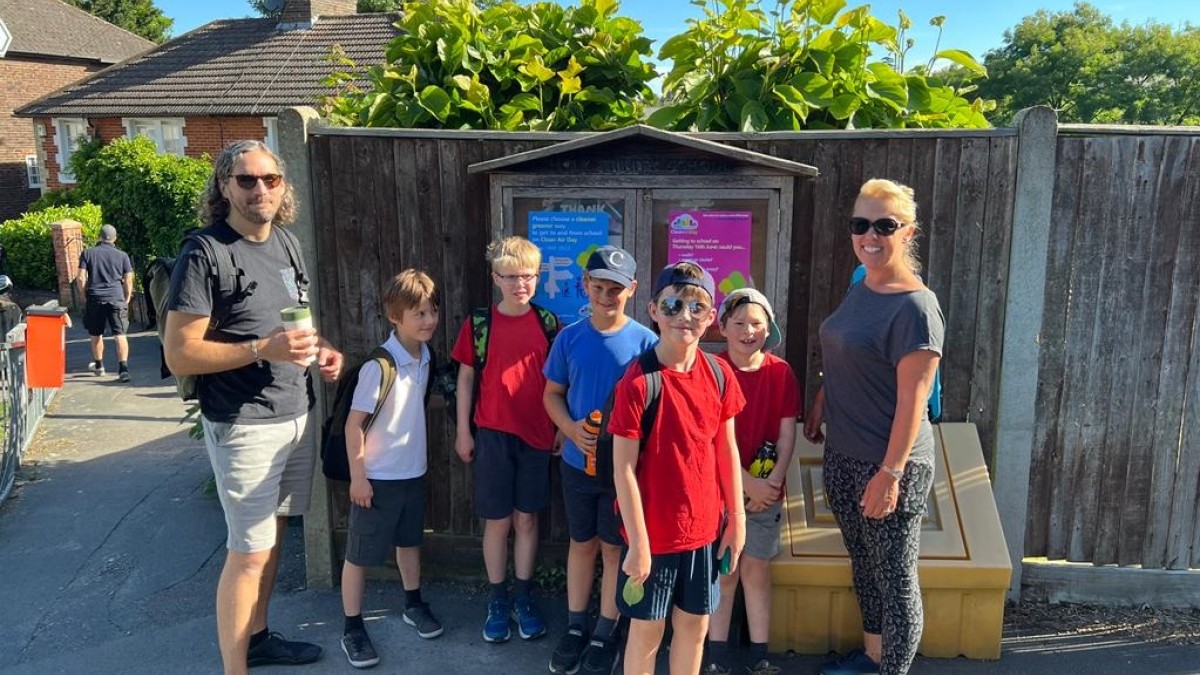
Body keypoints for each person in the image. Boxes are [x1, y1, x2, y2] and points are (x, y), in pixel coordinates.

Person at [163, 139, 344, 675]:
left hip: (296, 412)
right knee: (247, 552)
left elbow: (297, 323)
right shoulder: (204, 252)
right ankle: (234, 668)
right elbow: (179, 355)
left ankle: (258, 638)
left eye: (270, 179)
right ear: (224, 187)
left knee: (276, 534)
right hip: (243, 424)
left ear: (283, 186)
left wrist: (323, 351)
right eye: (246, 180)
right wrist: (258, 349)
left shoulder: (286, 243)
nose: (259, 189)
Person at [803, 179, 944, 675]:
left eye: (885, 226)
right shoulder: (860, 283)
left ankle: (893, 670)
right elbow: (847, 350)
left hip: (889, 464)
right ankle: (873, 655)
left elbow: (914, 399)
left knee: (897, 579)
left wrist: (890, 473)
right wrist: (822, 398)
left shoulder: (916, 307)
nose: (870, 235)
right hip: (844, 452)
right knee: (864, 564)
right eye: (860, 225)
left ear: (908, 233)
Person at [609, 261, 747, 675]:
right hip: (652, 537)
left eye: (695, 307)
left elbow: (728, 449)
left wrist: (736, 518)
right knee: (647, 632)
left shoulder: (720, 375)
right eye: (671, 305)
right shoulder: (638, 383)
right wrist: (637, 542)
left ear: (710, 318)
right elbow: (624, 471)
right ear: (652, 310)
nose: (683, 316)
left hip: (704, 533)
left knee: (694, 626)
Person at [543, 245, 658, 674]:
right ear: (585, 286)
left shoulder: (647, 343)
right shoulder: (569, 338)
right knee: (581, 544)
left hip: (623, 473)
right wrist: (570, 429)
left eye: (616, 288)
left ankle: (604, 631)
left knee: (613, 550)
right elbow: (551, 394)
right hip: (576, 464)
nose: (606, 296)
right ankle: (575, 626)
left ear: (631, 289)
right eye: (599, 287)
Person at [451, 235, 560, 643]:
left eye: (528, 276)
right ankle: (498, 598)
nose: (520, 284)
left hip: (536, 434)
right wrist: (464, 431)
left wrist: (560, 430)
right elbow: (465, 378)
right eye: (511, 276)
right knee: (497, 521)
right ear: (496, 278)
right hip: (493, 433)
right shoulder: (479, 323)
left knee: (527, 518)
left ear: (538, 276)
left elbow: (558, 382)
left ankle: (524, 595)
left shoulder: (548, 323)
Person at [339, 269, 444, 669]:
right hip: (377, 479)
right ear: (394, 316)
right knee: (359, 555)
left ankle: (412, 603)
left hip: (412, 474)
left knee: (409, 542)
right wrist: (359, 476)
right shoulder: (379, 367)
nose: (429, 320)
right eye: (418, 313)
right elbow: (354, 425)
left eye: (432, 310)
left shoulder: (425, 355)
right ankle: (352, 626)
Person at [706, 288, 800, 675]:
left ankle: (761, 656)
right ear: (723, 326)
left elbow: (786, 433)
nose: (748, 331)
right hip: (719, 490)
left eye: (757, 324)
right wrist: (746, 484)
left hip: (766, 492)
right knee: (725, 573)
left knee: (757, 571)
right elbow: (709, 437)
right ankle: (716, 657)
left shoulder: (781, 372)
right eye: (740, 323)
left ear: (770, 328)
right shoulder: (711, 370)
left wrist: (773, 482)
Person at [76, 224, 134, 382]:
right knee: (120, 334)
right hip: (116, 298)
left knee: (96, 334)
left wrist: (84, 295)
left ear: (99, 237)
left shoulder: (88, 253)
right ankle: (123, 370)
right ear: (115, 238)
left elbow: (80, 278)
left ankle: (99, 366)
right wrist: (126, 299)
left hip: (95, 298)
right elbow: (128, 280)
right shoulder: (122, 256)